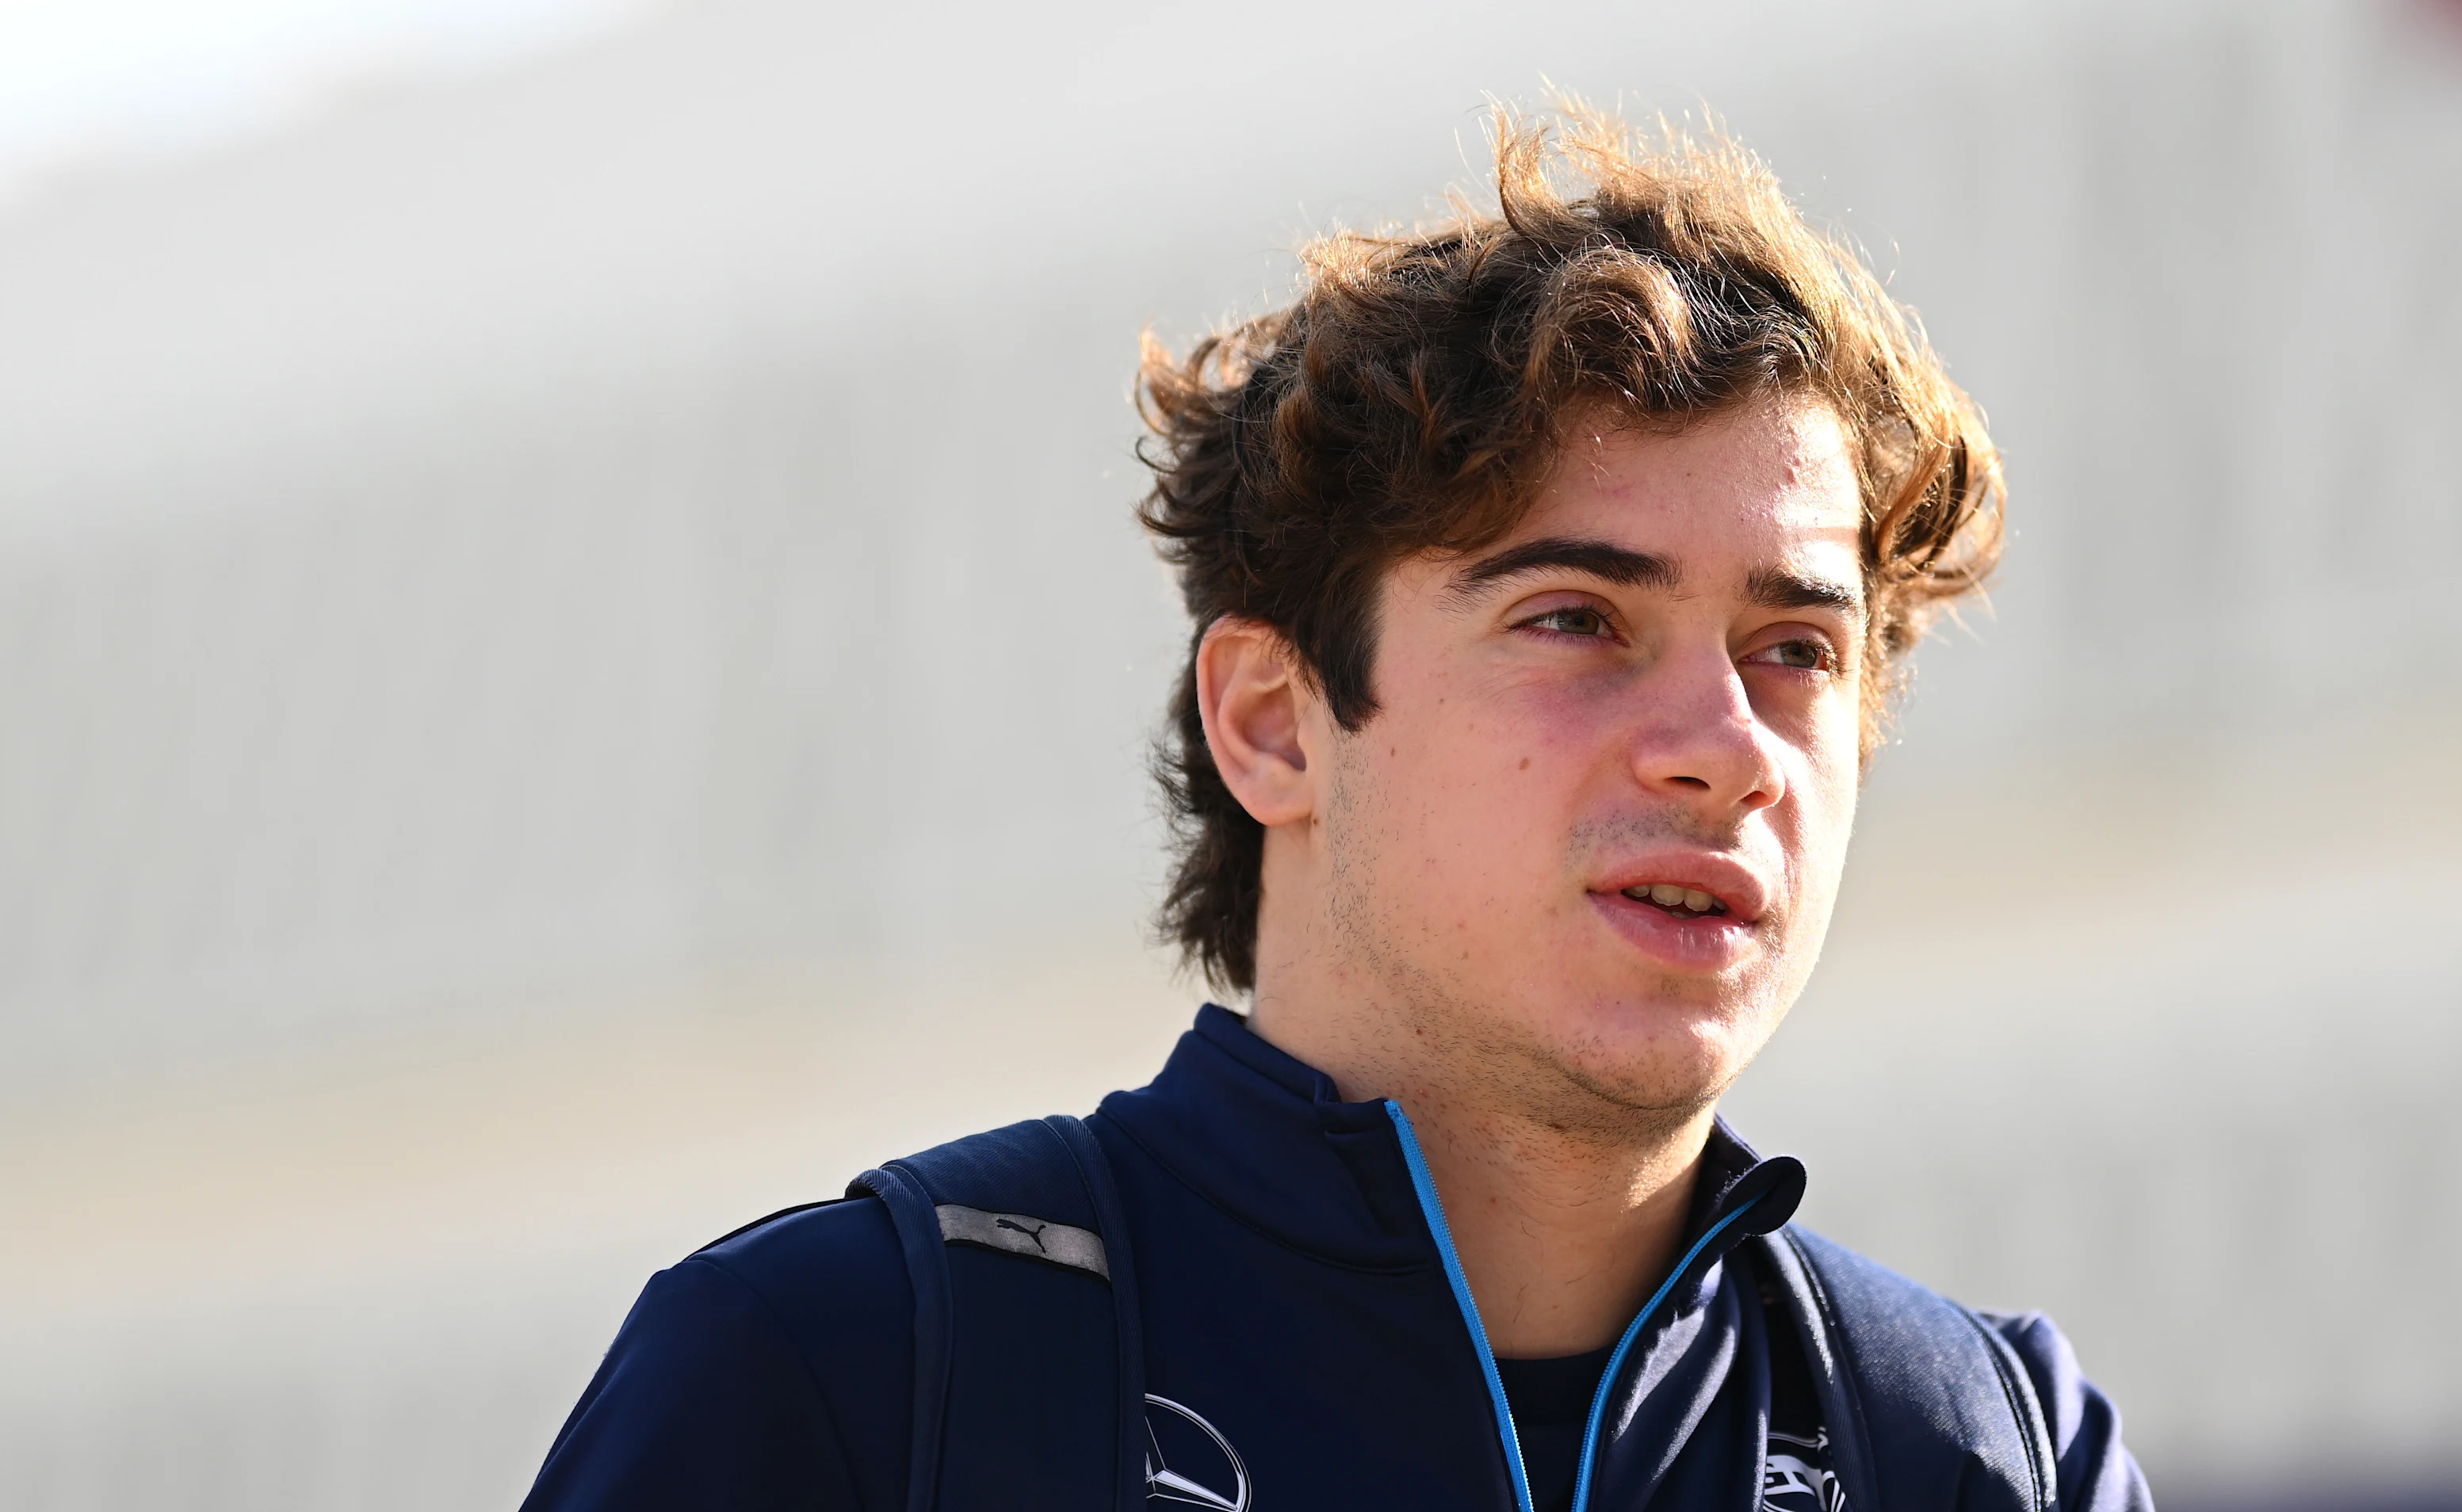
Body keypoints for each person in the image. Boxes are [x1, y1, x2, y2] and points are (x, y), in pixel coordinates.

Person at [521, 105, 2152, 1512]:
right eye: (1577, 619)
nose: (1724, 749)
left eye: (1795, 650)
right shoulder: (843, 1377)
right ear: (1272, 724)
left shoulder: (1984, 1454)